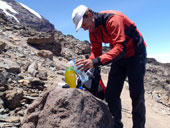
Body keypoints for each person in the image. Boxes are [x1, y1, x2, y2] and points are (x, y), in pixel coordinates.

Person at [72, 5, 147, 128]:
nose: (84, 29)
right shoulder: (92, 31)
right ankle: (116, 124)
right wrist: (86, 65)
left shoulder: (113, 18)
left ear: (90, 15)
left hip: (135, 54)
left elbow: (120, 47)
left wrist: (95, 62)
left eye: (83, 24)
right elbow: (96, 52)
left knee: (136, 94)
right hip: (118, 56)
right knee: (111, 94)